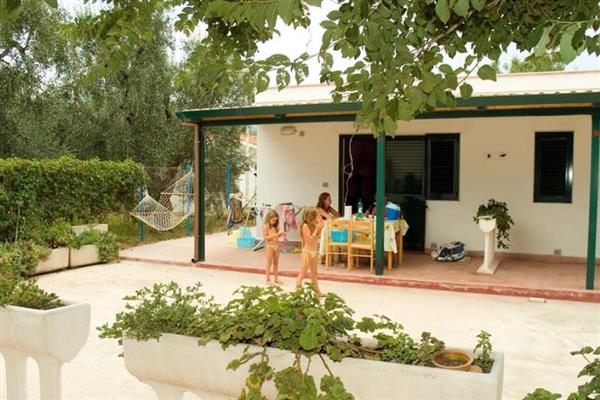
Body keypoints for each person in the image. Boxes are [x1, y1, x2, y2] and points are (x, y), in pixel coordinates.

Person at [295, 207, 324, 295]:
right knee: (302, 273)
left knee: (314, 273)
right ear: (311, 217)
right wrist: (316, 230)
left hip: (314, 252)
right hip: (307, 252)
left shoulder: (314, 225)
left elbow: (317, 237)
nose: (318, 217)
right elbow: (309, 241)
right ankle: (297, 293)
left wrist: (320, 227)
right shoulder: (305, 226)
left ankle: (317, 291)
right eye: (317, 216)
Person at [263, 209, 286, 285]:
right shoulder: (266, 226)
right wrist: (276, 235)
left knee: (276, 263)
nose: (274, 222)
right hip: (270, 246)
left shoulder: (275, 227)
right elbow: (266, 238)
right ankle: (268, 279)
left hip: (276, 246)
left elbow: (275, 236)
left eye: (276, 220)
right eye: (273, 220)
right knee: (269, 263)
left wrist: (280, 234)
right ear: (268, 218)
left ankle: (276, 279)